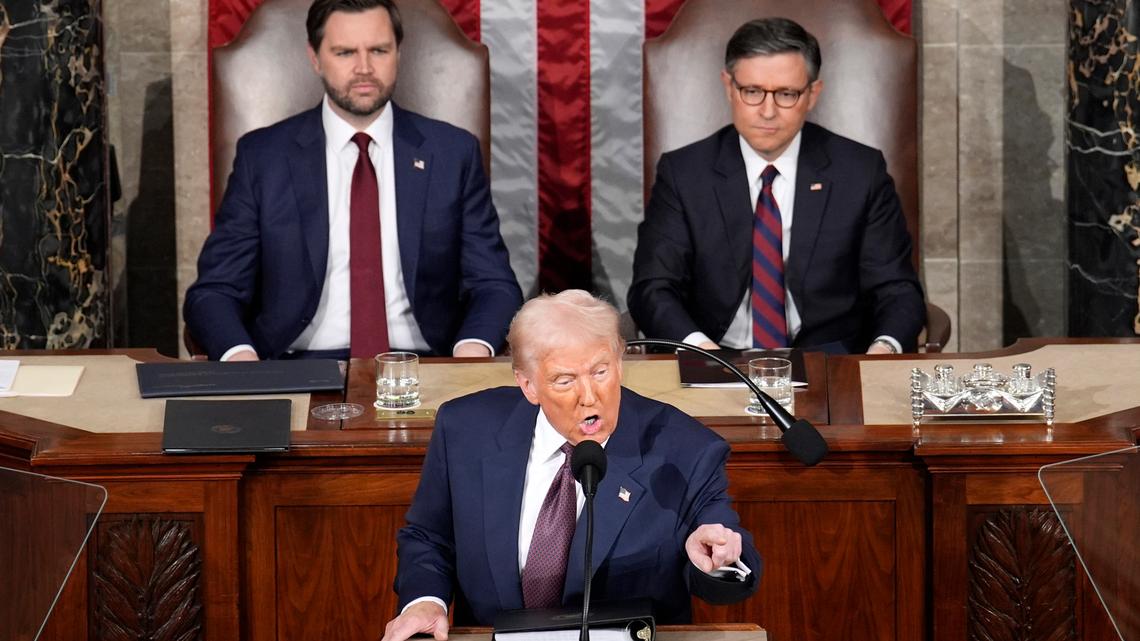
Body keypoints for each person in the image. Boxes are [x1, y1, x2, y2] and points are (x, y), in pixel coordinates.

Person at [382, 290, 761, 640]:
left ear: (620, 360)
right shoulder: (465, 429)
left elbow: (731, 559)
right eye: (565, 380)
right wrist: (425, 601)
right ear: (528, 385)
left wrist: (717, 562)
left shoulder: (686, 449)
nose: (589, 396)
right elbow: (428, 537)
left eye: (601, 371)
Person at [184, 0, 522, 361]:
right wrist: (241, 359)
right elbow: (215, 290)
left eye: (378, 50)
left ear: (398, 53)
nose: (364, 68)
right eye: (345, 52)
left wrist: (470, 351)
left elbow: (494, 284)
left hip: (426, 363)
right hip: (293, 365)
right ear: (315, 58)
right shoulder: (264, 157)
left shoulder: (453, 154)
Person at [628, 17, 925, 355]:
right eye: (752, 91)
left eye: (786, 94)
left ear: (812, 94)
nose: (768, 112)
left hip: (830, 364)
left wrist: (882, 350)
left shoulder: (860, 171)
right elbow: (653, 288)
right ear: (729, 87)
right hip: (717, 358)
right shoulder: (684, 173)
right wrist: (702, 351)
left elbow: (897, 290)